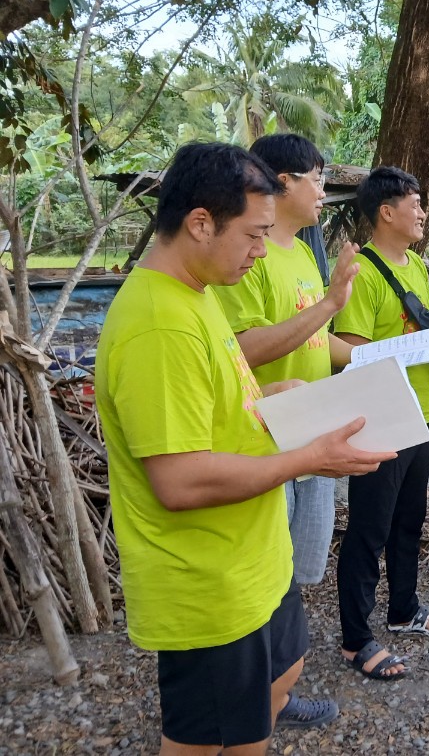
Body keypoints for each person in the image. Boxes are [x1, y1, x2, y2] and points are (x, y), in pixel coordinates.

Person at [95, 143, 395, 754]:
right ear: (200, 223)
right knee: (214, 740)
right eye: (255, 235)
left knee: (280, 677)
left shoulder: (197, 291)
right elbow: (179, 481)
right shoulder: (159, 325)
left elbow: (212, 404)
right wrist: (309, 458)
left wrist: (265, 399)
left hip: (254, 560)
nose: (262, 252)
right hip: (211, 584)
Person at [213, 134, 360, 727]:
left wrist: (389, 355)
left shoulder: (301, 253)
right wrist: (328, 305)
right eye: (317, 178)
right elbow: (239, 351)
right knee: (264, 571)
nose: (324, 191)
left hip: (312, 436)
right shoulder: (245, 258)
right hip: (264, 442)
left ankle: (273, 688)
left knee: (296, 569)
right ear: (281, 181)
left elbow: (319, 343)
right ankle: (254, 697)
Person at [332, 167, 429, 678]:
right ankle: (355, 638)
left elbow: (424, 330)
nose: (422, 212)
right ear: (386, 212)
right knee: (369, 529)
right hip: (381, 416)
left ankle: (404, 609)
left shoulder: (414, 264)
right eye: (414, 204)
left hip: (422, 410)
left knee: (409, 521)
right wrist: (422, 343)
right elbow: (350, 351)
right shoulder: (363, 274)